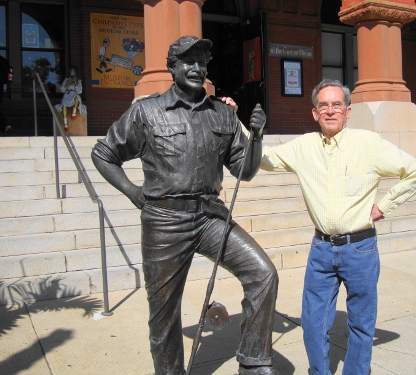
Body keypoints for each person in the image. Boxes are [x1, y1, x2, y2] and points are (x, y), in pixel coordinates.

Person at [91, 36, 279, 375]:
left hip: (210, 218)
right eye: (188, 61)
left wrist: (258, 136)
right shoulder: (146, 111)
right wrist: (134, 192)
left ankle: (254, 362)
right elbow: (103, 155)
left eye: (202, 62)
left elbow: (244, 172)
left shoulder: (222, 114)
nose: (196, 68)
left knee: (263, 273)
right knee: (164, 311)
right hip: (164, 221)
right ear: (172, 66)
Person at [256, 78, 416, 374]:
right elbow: (264, 159)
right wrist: (244, 128)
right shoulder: (304, 147)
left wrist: (385, 206)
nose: (331, 110)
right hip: (321, 250)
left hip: (360, 249)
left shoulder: (368, 143)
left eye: (337, 105)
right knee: (311, 323)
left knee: (361, 324)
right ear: (315, 113)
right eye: (324, 105)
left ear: (348, 112)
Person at [55, 65, 87, 131]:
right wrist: (67, 84)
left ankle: (74, 112)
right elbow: (62, 90)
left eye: (72, 71)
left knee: (76, 98)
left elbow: (80, 91)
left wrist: (75, 84)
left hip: (74, 93)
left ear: (75, 72)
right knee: (64, 104)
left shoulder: (78, 81)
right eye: (70, 71)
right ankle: (65, 123)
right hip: (67, 94)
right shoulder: (66, 80)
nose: (71, 72)